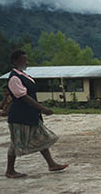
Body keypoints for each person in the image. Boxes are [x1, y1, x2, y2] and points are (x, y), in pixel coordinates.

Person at [5, 49, 69, 178]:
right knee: (16, 142)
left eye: (26, 60)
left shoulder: (23, 75)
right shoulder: (14, 78)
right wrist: (42, 108)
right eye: (23, 60)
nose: (25, 62)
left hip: (30, 114)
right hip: (20, 115)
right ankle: (10, 170)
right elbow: (24, 97)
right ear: (15, 61)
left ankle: (51, 164)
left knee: (41, 137)